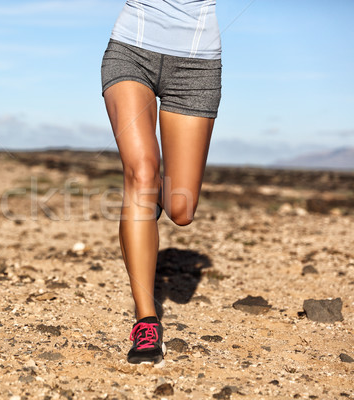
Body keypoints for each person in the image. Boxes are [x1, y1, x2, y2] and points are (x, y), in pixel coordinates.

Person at [100, 0, 222, 366]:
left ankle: (147, 197)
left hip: (198, 66)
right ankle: (146, 321)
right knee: (141, 172)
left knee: (181, 210)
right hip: (130, 51)